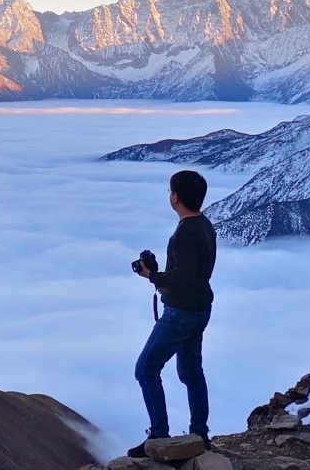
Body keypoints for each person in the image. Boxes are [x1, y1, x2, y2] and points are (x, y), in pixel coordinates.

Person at [128, 169, 216, 458]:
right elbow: (193, 275)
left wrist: (152, 276)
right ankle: (199, 435)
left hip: (180, 313)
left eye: (170, 191)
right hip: (200, 309)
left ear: (175, 197)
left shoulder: (184, 234)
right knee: (191, 371)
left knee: (146, 369)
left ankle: (159, 436)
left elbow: (184, 278)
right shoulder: (205, 225)